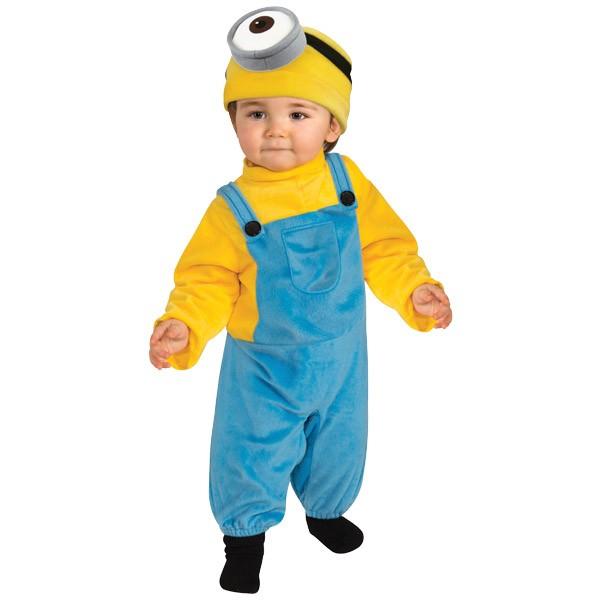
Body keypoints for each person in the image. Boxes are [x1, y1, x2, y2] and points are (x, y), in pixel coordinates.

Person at [149, 6, 452, 594]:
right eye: (256, 113)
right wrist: (183, 324)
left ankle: (326, 512)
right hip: (264, 365)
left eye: (298, 113)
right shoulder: (232, 208)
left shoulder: (347, 182)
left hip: (342, 359)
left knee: (340, 442)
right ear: (234, 120)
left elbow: (384, 247)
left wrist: (415, 290)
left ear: (332, 126)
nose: (276, 129)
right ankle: (244, 542)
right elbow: (206, 279)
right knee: (250, 449)